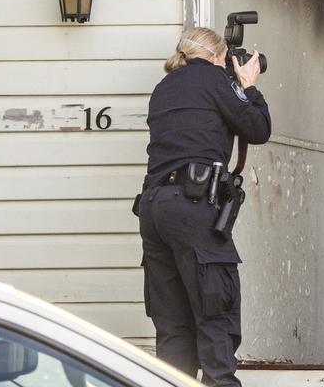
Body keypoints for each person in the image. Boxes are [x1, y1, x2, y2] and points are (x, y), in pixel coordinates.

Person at [137, 27, 270, 387]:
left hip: (153, 209)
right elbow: (257, 128)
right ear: (218, 56)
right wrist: (248, 86)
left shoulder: (164, 88)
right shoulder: (214, 79)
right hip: (192, 207)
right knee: (215, 314)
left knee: (173, 327)